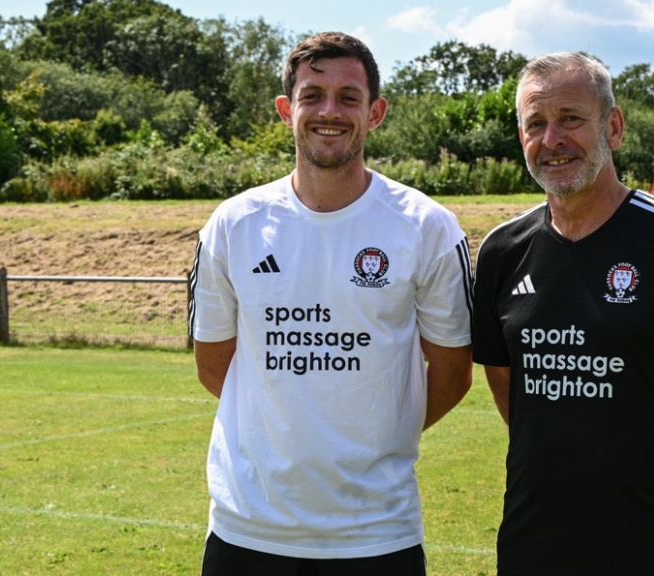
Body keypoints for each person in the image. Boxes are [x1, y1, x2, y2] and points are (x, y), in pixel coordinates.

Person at [471, 52, 654, 575]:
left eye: (570, 118)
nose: (553, 139)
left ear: (612, 127)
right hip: (531, 540)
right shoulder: (501, 251)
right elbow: (510, 390)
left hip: (650, 542)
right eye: (535, 124)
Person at [188, 31, 474, 575]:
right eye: (312, 94)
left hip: (376, 533)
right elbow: (212, 366)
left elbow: (454, 373)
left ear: (376, 112)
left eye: (349, 97)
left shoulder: (427, 227)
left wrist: (374, 435)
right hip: (247, 527)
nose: (330, 111)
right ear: (285, 109)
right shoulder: (233, 224)